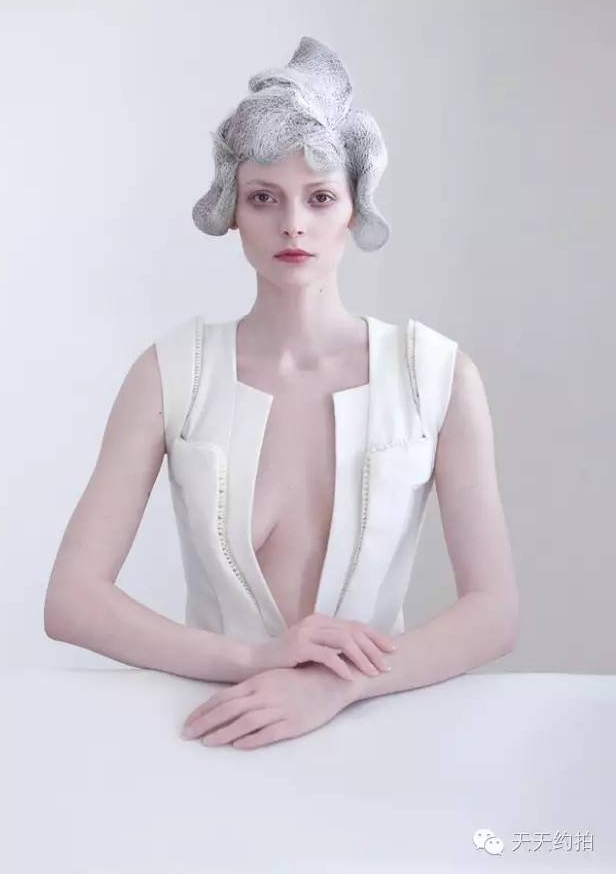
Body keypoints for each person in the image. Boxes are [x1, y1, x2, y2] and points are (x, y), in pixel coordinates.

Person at [44, 37, 518, 750]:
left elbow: (494, 611)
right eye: (264, 198)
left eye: (320, 198)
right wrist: (254, 659)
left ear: (354, 208)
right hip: (212, 728)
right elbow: (72, 602)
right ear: (232, 209)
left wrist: (336, 684)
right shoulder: (170, 373)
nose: (293, 224)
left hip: (379, 738)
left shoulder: (437, 373)